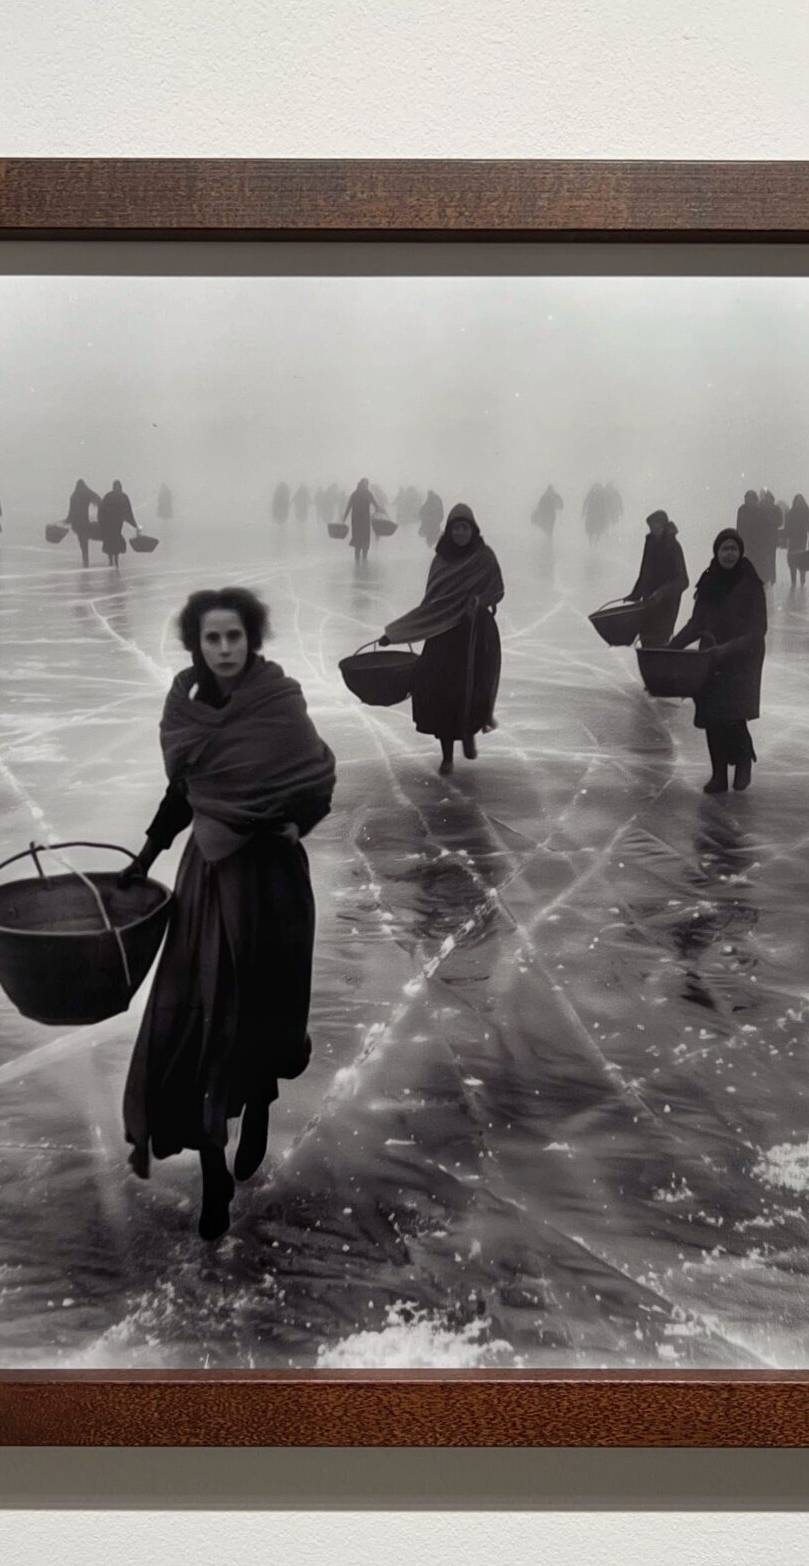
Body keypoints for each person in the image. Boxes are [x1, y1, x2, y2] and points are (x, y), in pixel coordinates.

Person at [120, 588, 336, 1240]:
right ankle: (214, 1171)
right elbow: (181, 795)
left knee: (264, 1007)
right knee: (204, 1020)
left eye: (234, 636)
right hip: (211, 879)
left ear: (251, 639)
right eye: (212, 638)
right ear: (197, 644)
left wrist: (300, 822)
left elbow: (315, 778)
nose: (223, 649)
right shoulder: (186, 712)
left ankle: (260, 1104)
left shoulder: (279, 702)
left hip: (272, 879)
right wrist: (144, 858)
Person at [380, 502, 504, 776]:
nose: (461, 533)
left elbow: (497, 590)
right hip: (443, 636)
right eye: (456, 528)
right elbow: (431, 605)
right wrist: (395, 634)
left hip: (475, 635)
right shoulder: (441, 560)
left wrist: (479, 601)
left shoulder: (484, 557)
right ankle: (447, 754)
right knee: (441, 693)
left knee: (473, 690)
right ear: (449, 530)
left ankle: (468, 735)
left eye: (465, 528)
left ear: (473, 530)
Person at [669, 528, 768, 794]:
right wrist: (672, 647)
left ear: (740, 552)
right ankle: (719, 775)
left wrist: (726, 650)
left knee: (734, 716)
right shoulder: (708, 581)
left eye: (733, 549)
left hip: (743, 659)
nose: (729, 554)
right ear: (716, 552)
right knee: (712, 717)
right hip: (710, 658)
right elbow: (696, 624)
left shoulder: (750, 584)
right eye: (725, 549)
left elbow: (758, 630)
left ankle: (744, 760)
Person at [625, 510, 689, 645]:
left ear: (664, 526)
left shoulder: (673, 546)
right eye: (651, 526)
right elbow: (644, 573)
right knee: (646, 640)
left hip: (667, 606)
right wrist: (635, 594)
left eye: (657, 526)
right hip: (648, 603)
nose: (654, 529)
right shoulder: (650, 543)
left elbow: (683, 581)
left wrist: (662, 592)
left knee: (659, 642)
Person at [97, 480, 137, 569]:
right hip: (117, 522)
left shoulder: (108, 496)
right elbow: (128, 512)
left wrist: (101, 522)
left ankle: (111, 558)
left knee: (109, 539)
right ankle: (116, 559)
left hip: (108, 522)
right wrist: (134, 524)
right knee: (116, 539)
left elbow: (101, 509)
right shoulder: (123, 497)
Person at [342, 477, 384, 561]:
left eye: (366, 485)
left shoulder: (358, 494)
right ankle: (361, 562)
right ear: (361, 484)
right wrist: (344, 519)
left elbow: (375, 505)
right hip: (361, 520)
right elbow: (349, 507)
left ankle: (360, 562)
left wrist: (381, 510)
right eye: (365, 484)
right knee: (361, 542)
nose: (366, 486)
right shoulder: (363, 494)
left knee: (360, 541)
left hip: (359, 520)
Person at [63, 478, 99, 568]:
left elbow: (71, 514)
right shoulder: (87, 493)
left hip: (77, 525)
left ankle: (85, 562)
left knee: (83, 545)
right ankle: (86, 563)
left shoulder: (73, 496)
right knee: (85, 542)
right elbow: (99, 501)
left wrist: (65, 521)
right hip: (85, 524)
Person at [784, 493, 809, 587]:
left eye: (800, 501)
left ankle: (802, 580)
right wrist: (786, 538)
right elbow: (787, 526)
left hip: (802, 538)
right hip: (793, 538)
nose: (798, 503)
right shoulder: (791, 512)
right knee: (792, 560)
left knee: (802, 559)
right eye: (797, 501)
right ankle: (794, 580)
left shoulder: (805, 512)